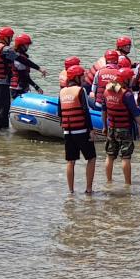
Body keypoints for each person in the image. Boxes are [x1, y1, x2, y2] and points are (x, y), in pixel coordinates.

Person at [0, 26, 46, 134]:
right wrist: (38, 68)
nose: (11, 40)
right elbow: (21, 59)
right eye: (10, 37)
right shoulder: (6, 49)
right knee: (4, 109)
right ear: (5, 38)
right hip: (2, 83)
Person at [100, 67, 140, 185]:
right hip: (124, 129)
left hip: (111, 128)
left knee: (110, 155)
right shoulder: (127, 95)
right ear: (126, 80)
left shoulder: (107, 92)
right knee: (126, 157)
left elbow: (104, 112)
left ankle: (109, 181)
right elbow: (136, 115)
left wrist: (105, 127)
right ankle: (127, 183)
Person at [57, 65, 96, 194]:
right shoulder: (81, 90)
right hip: (81, 131)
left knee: (70, 161)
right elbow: (85, 111)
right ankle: (89, 189)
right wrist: (91, 129)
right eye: (82, 76)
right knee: (91, 158)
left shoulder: (62, 92)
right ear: (77, 78)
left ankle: (71, 191)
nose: (83, 79)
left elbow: (59, 113)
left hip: (68, 132)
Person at [9, 34, 44, 99]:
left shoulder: (16, 56)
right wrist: (36, 87)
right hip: (18, 88)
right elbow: (24, 76)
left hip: (16, 87)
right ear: (21, 45)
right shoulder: (20, 59)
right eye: (27, 45)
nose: (28, 47)